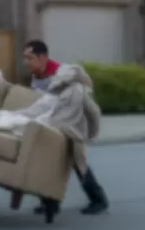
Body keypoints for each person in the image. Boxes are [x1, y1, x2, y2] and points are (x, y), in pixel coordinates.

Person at [22, 40, 109, 215]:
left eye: (30, 58)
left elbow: (85, 100)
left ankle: (99, 199)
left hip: (72, 123)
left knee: (78, 161)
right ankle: (50, 202)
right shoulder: (36, 74)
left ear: (43, 57)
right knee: (45, 161)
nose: (26, 62)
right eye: (25, 58)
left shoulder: (61, 74)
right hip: (51, 121)